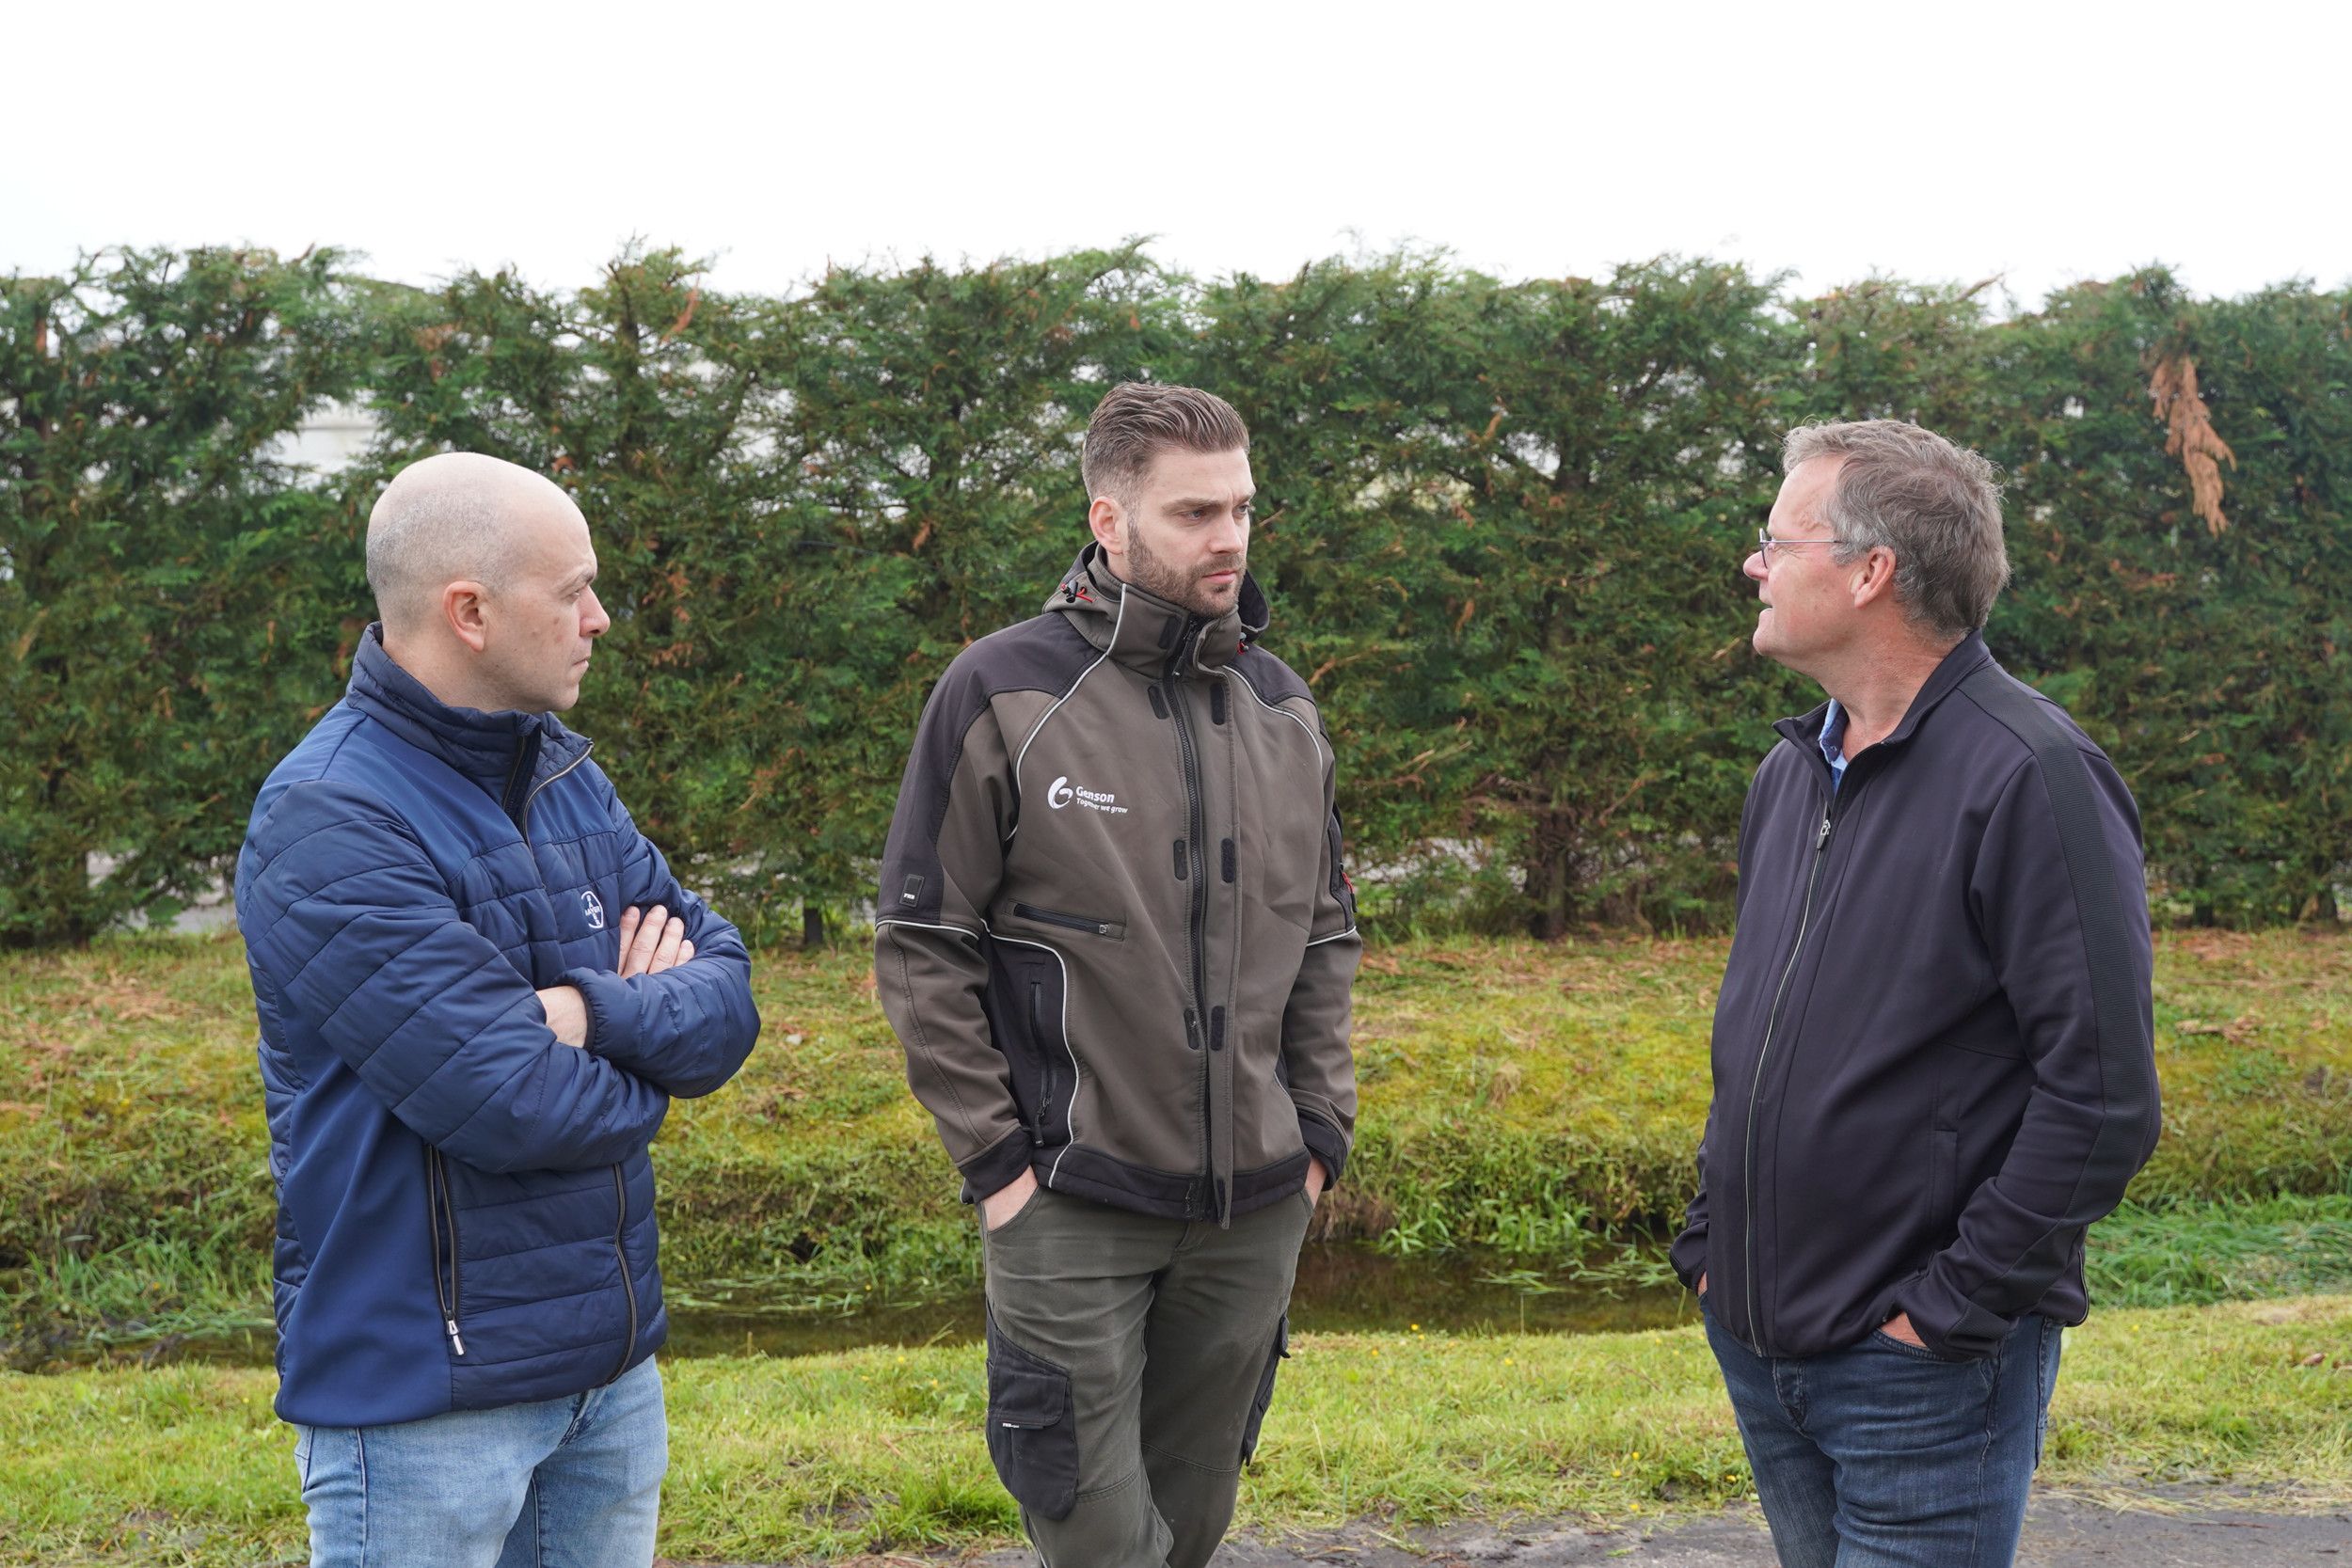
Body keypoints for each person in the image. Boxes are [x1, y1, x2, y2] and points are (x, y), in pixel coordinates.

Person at [234, 451, 760, 1568]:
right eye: (572, 589)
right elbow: (511, 1100)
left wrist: (577, 1008)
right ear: (467, 610)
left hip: (607, 1376)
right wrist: (640, 1023)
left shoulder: (564, 772)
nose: (600, 617)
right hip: (429, 1396)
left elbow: (725, 997)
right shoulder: (331, 816)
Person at [873, 382, 1359, 1567]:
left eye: (1242, 507)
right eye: (1196, 511)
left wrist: (1317, 1132)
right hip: (1069, 1203)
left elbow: (1325, 937)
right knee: (1099, 1540)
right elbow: (921, 939)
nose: (1230, 538)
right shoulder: (1002, 689)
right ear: (1109, 519)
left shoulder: (1282, 705)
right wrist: (998, 1166)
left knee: (1187, 1533)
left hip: (1252, 1207)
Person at [1673, 420, 2161, 1567]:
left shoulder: (2033, 774)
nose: (1754, 563)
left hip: (1920, 1367)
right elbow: (1763, 1033)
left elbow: (2100, 1097)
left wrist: (1942, 1312)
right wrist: (1709, 1248)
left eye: (1774, 539)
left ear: (1869, 570)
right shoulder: (1794, 768)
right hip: (1761, 1338)